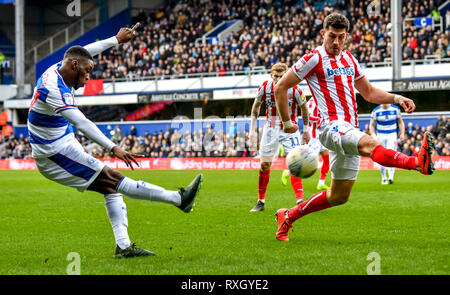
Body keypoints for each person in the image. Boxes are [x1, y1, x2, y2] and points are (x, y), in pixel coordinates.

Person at [27, 23, 203, 257]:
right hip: (54, 154)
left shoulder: (62, 67)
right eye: (87, 72)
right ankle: (179, 199)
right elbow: (82, 122)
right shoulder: (53, 88)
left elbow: (86, 50)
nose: (88, 77)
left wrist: (116, 41)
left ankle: (123, 246)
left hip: (62, 144)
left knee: (111, 189)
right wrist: (113, 147)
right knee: (114, 180)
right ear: (74, 66)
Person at [273, 13, 434, 242]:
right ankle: (417, 162)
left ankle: (288, 215)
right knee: (370, 143)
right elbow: (280, 87)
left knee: (339, 196)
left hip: (349, 128)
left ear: (346, 36)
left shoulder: (349, 58)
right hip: (330, 127)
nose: (336, 42)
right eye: (331, 36)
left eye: (340, 37)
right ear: (323, 34)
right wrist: (288, 122)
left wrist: (397, 98)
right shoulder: (313, 58)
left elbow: (368, 92)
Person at [249, 63, 310, 212]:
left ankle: (300, 202)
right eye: (275, 76)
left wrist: (306, 130)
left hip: (290, 129)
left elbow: (304, 108)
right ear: (271, 75)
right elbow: (256, 106)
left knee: (295, 163)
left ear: (286, 75)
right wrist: (252, 129)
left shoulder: (295, 89)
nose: (278, 79)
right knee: (264, 165)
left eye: (281, 76)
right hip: (270, 128)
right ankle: (261, 201)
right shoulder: (265, 87)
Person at [281, 97, 331, 190]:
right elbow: (308, 116)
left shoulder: (323, 99)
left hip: (322, 134)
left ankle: (321, 183)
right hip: (314, 136)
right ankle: (287, 171)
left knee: (327, 159)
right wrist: (320, 120)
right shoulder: (313, 101)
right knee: (306, 159)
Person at [369, 103, 405, 184]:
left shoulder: (395, 109)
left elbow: (400, 122)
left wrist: (402, 134)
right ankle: (384, 178)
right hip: (380, 136)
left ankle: (391, 176)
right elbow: (371, 125)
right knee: (381, 157)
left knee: (391, 155)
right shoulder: (376, 111)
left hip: (392, 135)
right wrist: (374, 135)